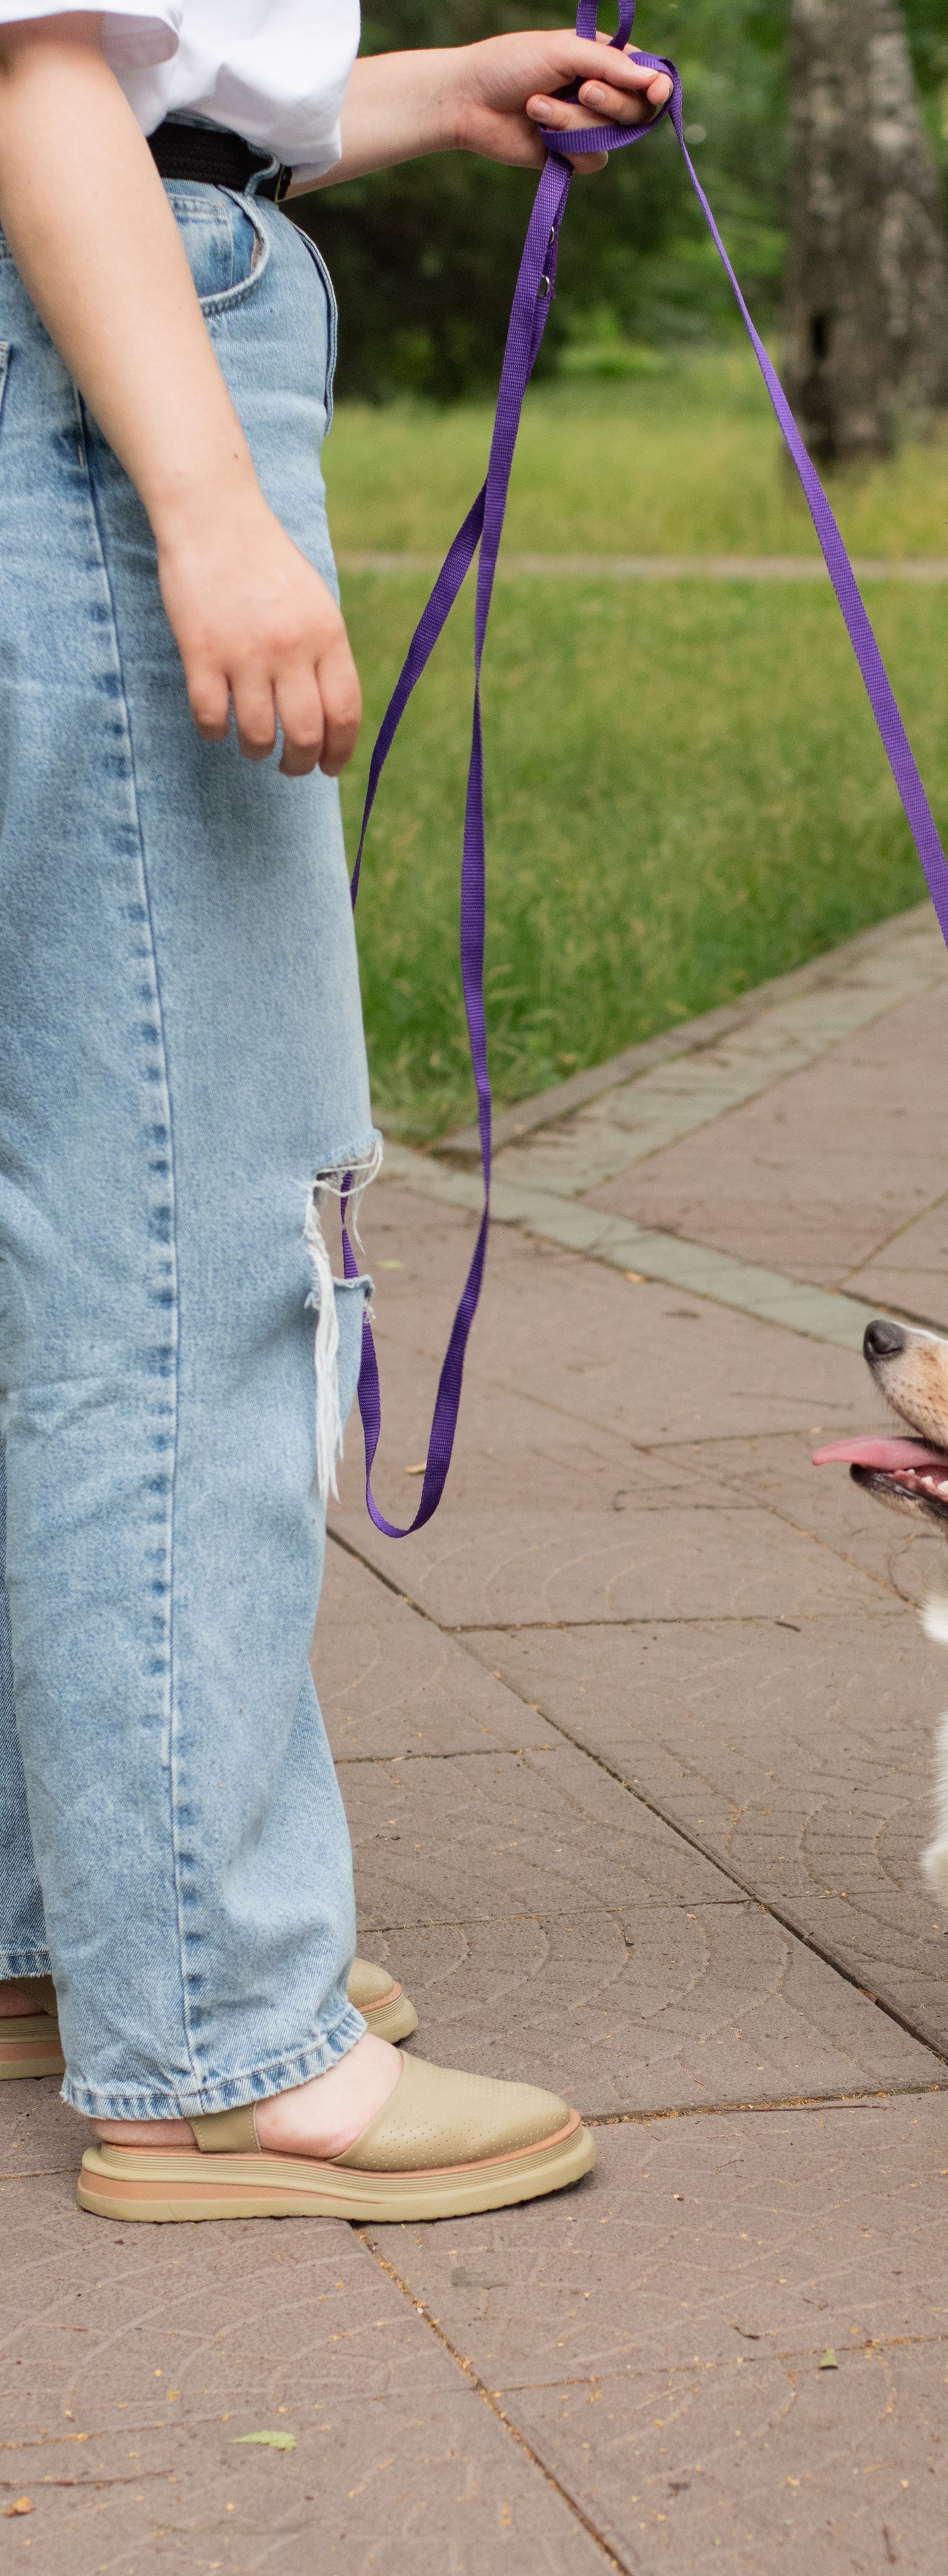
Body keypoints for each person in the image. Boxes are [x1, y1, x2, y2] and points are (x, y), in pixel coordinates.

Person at [0, 6, 671, 2222]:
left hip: (84, 313)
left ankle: (66, 1925)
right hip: (95, 368)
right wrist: (203, 501)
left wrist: (410, 99)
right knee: (181, 1248)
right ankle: (209, 2040)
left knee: (69, 1229)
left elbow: (121, 62)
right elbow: (39, 70)